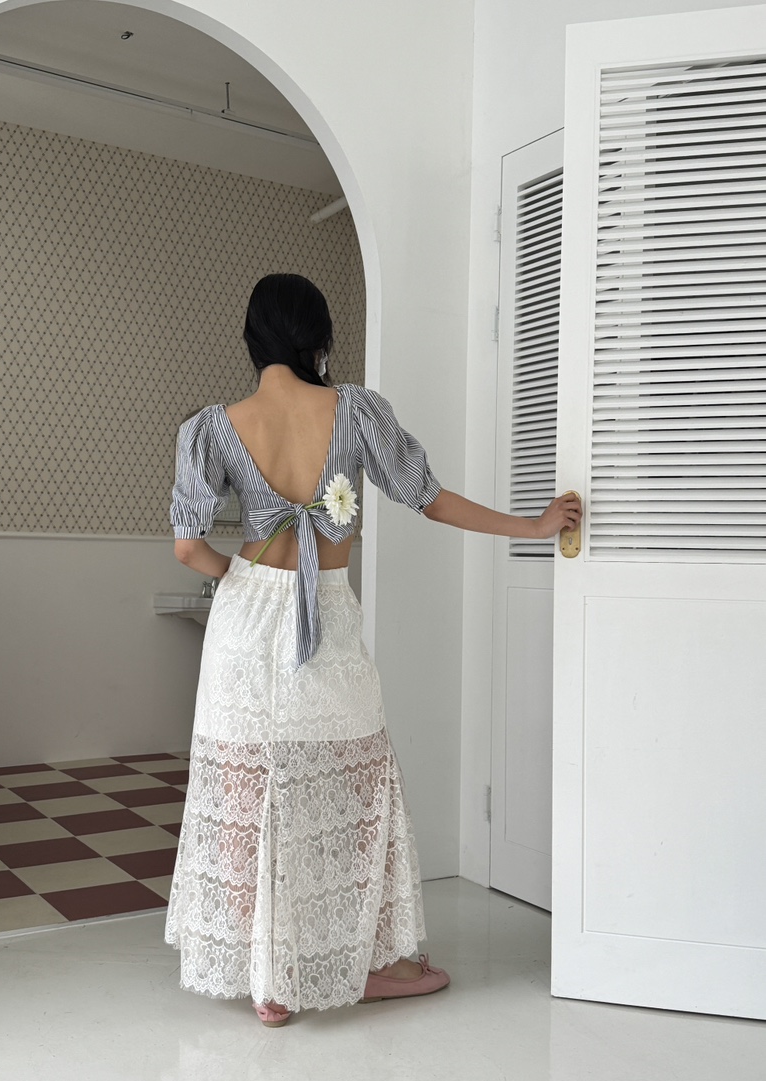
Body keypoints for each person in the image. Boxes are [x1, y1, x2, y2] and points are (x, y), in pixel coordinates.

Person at [163, 273, 582, 1028]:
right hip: (325, 610)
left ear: (253, 339)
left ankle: (270, 983)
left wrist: (245, 583)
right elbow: (430, 498)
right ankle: (365, 962)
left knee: (249, 787)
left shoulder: (212, 426)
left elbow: (188, 548)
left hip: (241, 621)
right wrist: (532, 526)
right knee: (356, 782)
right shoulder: (355, 411)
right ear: (318, 337)